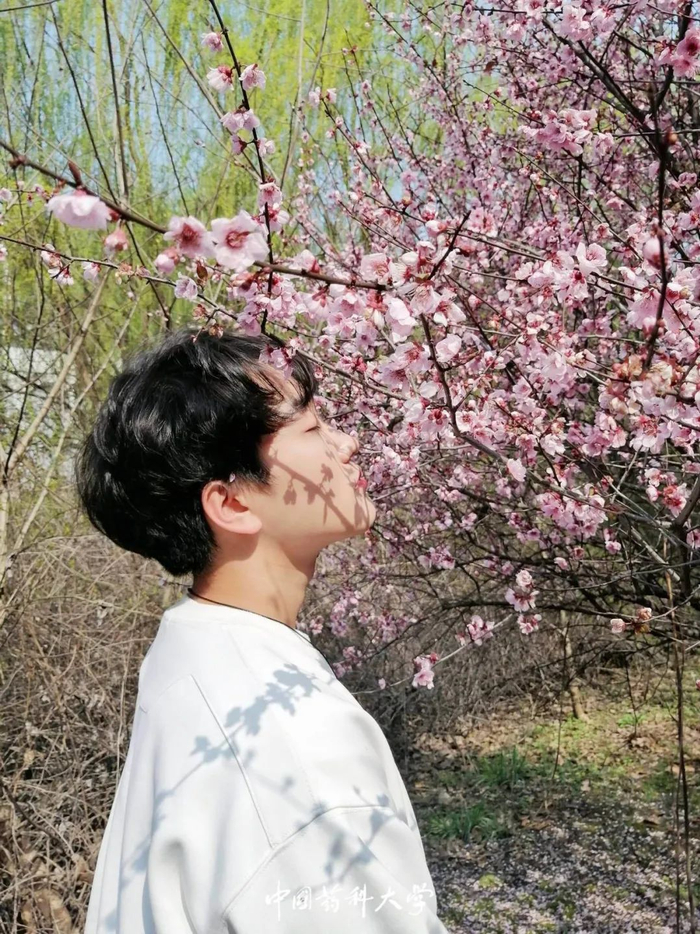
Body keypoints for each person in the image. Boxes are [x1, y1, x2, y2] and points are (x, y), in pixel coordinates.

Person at [76, 326, 447, 933]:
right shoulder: (293, 750)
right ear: (233, 504)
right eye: (313, 429)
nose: (348, 443)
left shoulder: (191, 658)